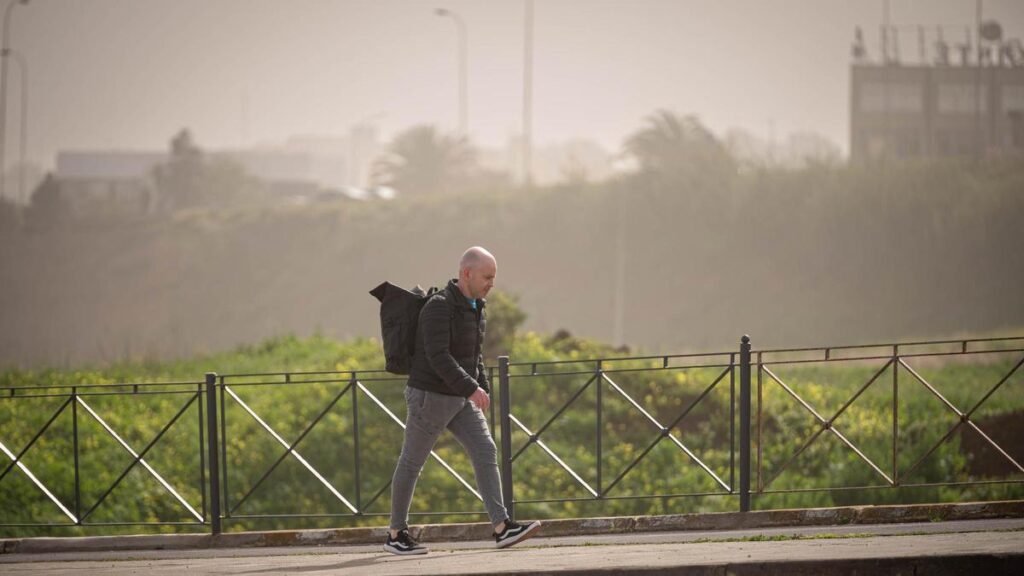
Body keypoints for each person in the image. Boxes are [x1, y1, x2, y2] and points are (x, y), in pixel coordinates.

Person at [384, 246, 541, 555]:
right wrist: (472, 388)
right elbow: (438, 357)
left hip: (459, 396)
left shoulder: (476, 306)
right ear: (466, 273)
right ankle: (396, 534)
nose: (491, 284)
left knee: (485, 449)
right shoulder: (438, 307)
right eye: (487, 277)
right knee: (412, 462)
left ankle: (502, 527)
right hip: (429, 397)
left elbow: (474, 356)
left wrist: (480, 386)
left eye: (494, 277)